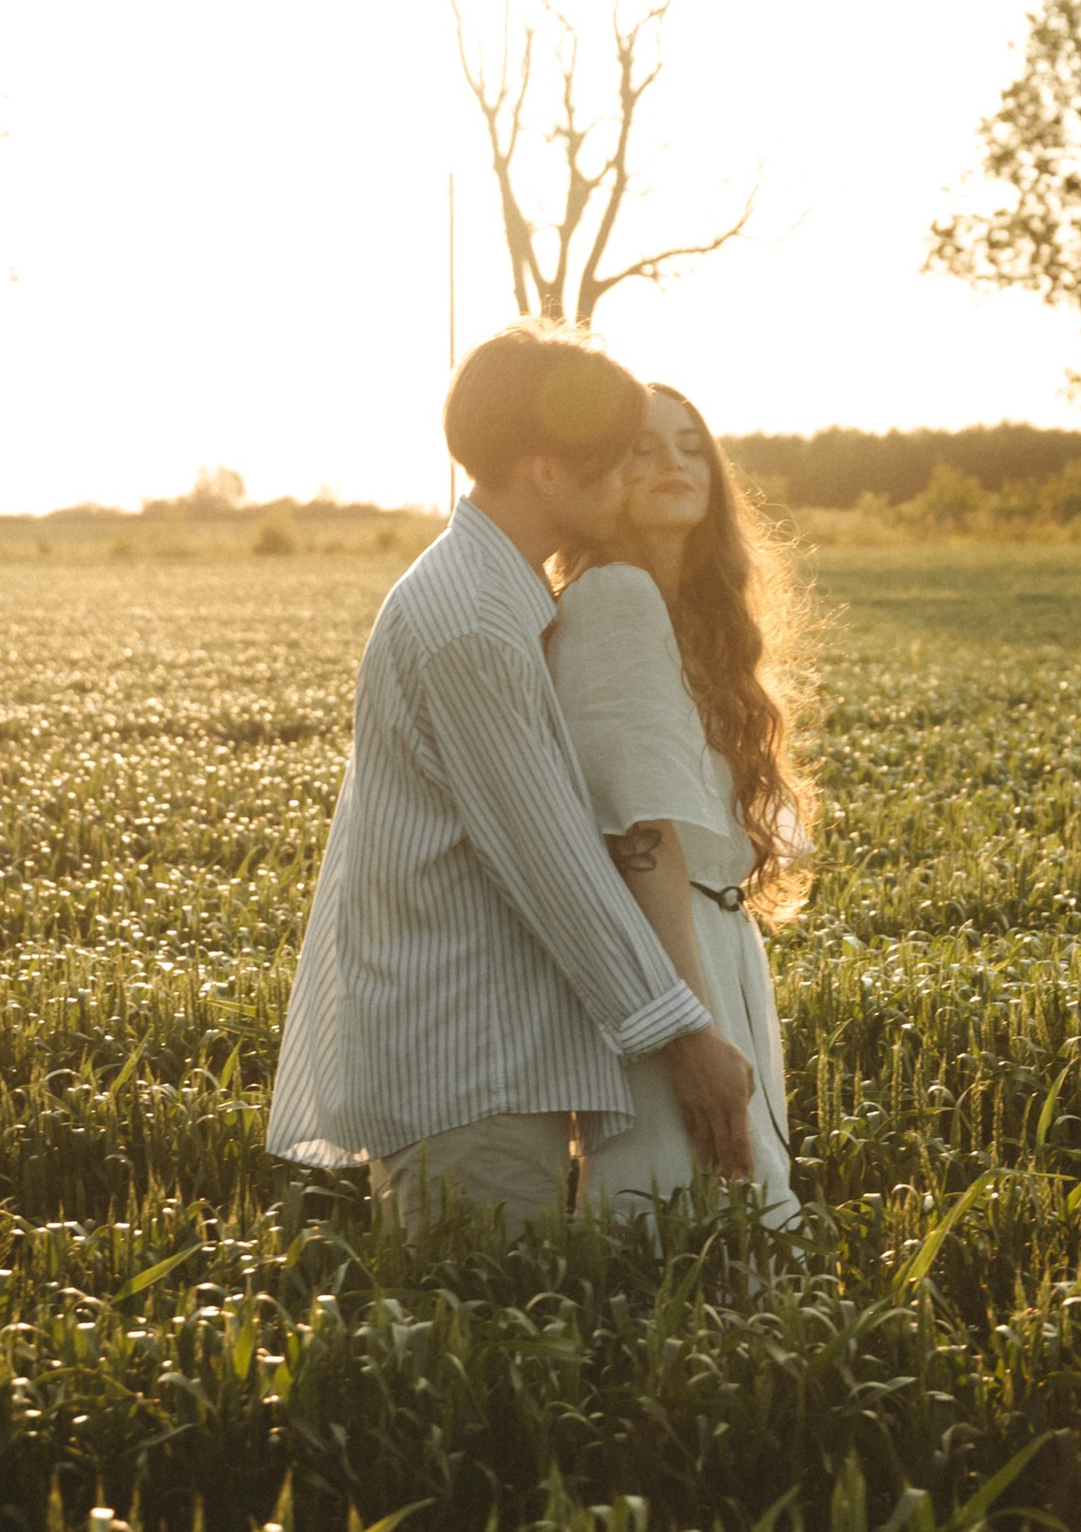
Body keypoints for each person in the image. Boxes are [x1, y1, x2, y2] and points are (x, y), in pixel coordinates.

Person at [265, 326, 756, 1229]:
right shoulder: (476, 625)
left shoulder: (488, 598)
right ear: (545, 472)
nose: (628, 476)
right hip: (467, 1064)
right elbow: (557, 864)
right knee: (485, 1339)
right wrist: (686, 1035)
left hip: (489, 1053)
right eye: (611, 459)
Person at [546, 382, 808, 1231]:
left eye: (691, 445)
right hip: (670, 961)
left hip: (719, 946)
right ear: (602, 476)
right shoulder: (612, 598)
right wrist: (689, 1031)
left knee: (733, 1217)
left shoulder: (693, 616)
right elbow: (639, 833)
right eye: (645, 447)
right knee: (683, 1212)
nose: (673, 463)